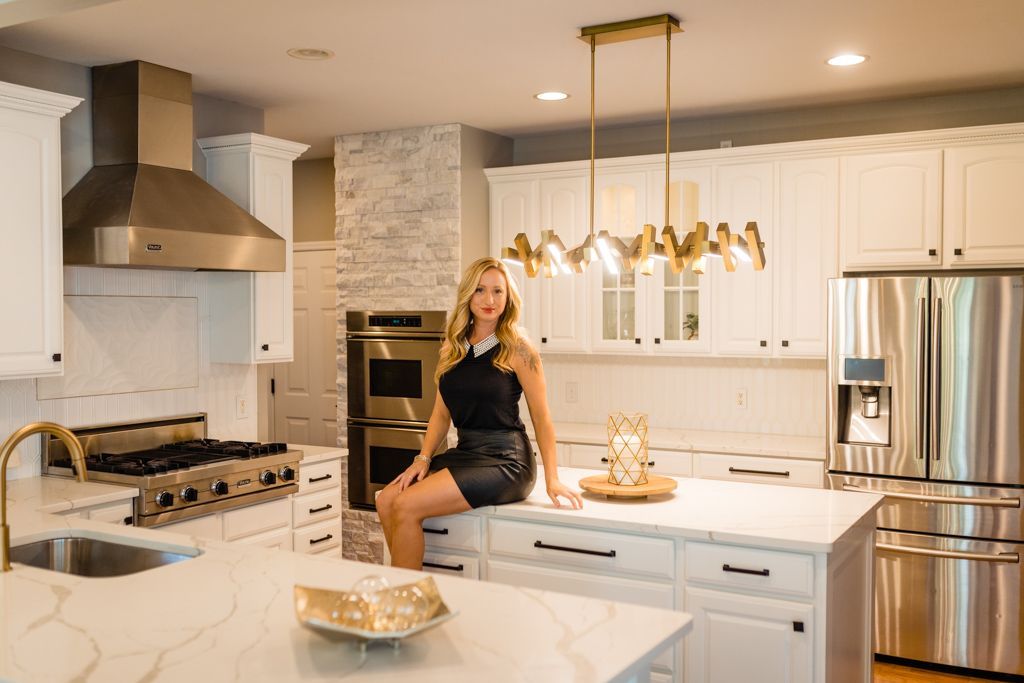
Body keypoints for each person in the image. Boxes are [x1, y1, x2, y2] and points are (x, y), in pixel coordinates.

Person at [376, 256, 583, 570]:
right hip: (466, 453)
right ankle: (413, 585)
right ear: (467, 295)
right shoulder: (452, 347)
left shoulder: (518, 348)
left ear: (508, 297)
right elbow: (441, 414)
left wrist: (552, 478)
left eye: (498, 291)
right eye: (480, 291)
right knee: (386, 498)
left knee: (405, 504)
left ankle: (404, 604)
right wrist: (423, 458)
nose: (490, 300)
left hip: (507, 460)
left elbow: (541, 418)